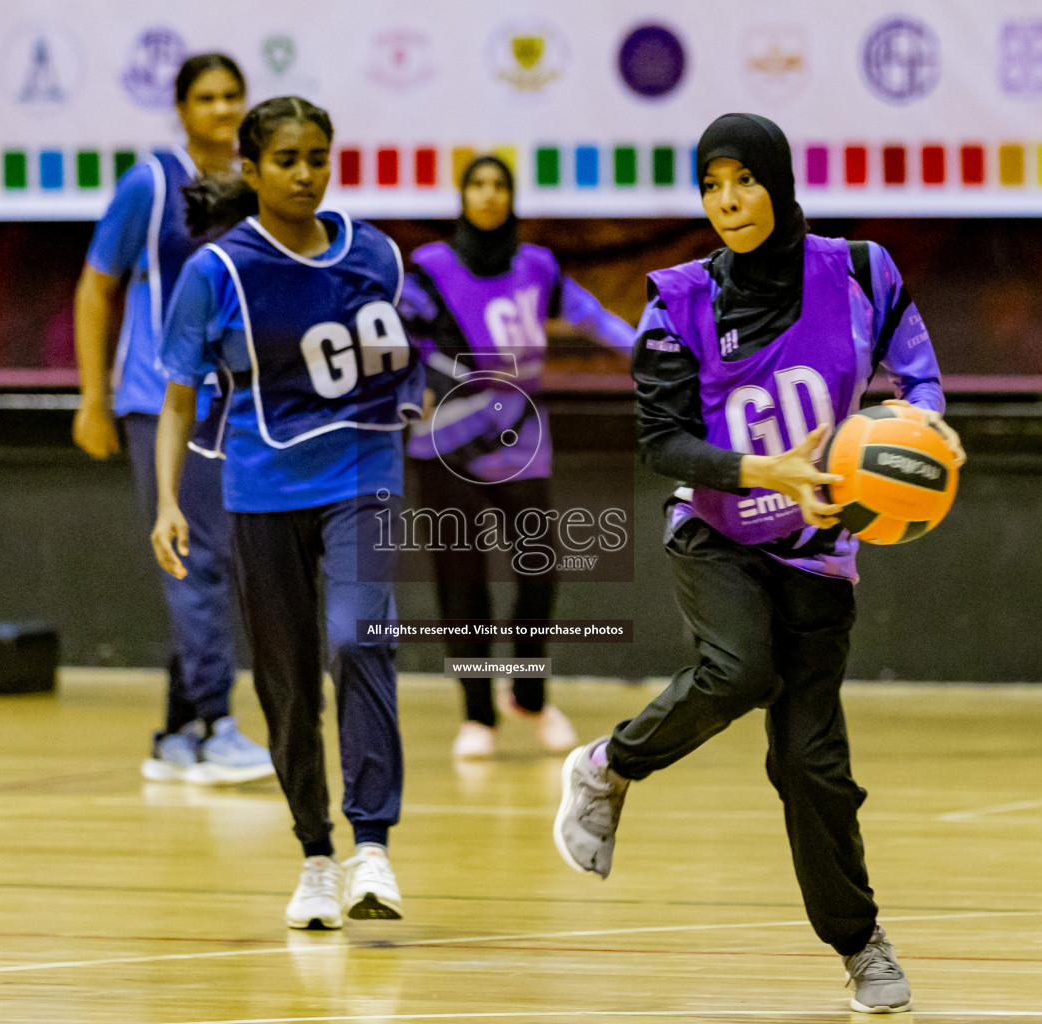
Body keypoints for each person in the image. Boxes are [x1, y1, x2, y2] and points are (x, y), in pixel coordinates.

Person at [551, 113, 966, 1014]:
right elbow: (662, 442)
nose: (727, 201)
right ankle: (608, 766)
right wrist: (757, 471)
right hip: (718, 533)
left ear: (777, 183)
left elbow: (917, 371)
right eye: (710, 185)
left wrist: (926, 429)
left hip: (821, 550)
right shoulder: (677, 302)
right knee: (740, 669)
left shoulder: (860, 270)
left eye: (743, 181)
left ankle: (861, 947)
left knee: (812, 765)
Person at [151, 97, 423, 931]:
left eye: (318, 157)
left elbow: (403, 362)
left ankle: (371, 845)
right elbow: (178, 397)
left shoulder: (374, 251)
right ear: (253, 168)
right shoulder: (217, 273)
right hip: (263, 490)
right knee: (287, 681)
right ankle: (314, 855)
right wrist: (166, 501)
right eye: (288, 160)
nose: (306, 174)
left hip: (362, 473)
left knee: (357, 635)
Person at [72, 53, 272, 786]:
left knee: (217, 561)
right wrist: (93, 396)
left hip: (237, 401)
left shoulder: (256, 182)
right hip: (162, 399)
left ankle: (178, 732)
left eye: (232, 96)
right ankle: (216, 723)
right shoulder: (151, 184)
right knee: (199, 559)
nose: (222, 109)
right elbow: (96, 288)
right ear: (182, 110)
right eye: (207, 98)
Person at [399, 155, 636, 760]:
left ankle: (528, 695)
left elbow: (590, 316)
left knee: (540, 567)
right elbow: (396, 336)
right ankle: (477, 714)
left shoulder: (537, 266)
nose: (488, 195)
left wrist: (646, 351)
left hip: (517, 436)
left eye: (498, 185)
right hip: (444, 438)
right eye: (477, 184)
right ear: (461, 196)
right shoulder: (430, 268)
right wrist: (412, 385)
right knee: (463, 579)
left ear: (511, 197)